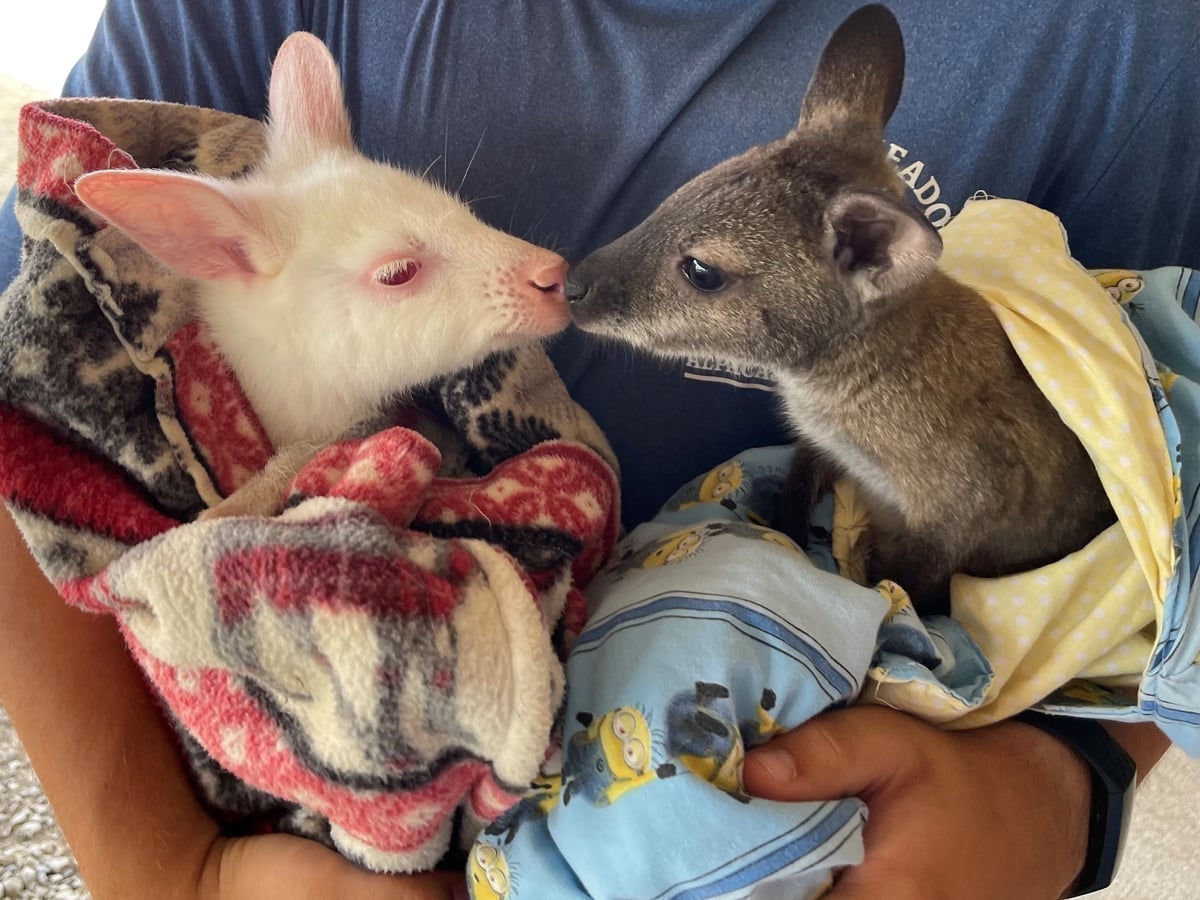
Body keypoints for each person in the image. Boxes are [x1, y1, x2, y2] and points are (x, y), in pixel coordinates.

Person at [0, 1, 1194, 897]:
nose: (571, 273)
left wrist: (1049, 797)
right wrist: (176, 871)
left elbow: (1158, 483)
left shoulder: (1121, 45)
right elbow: (36, 396)